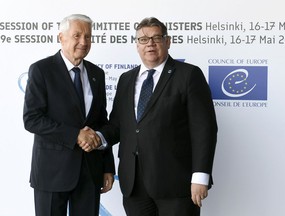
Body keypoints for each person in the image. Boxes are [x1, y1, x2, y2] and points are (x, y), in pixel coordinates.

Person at [99, 17, 217, 216]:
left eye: (156, 38)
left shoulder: (188, 75)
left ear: (167, 41)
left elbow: (204, 129)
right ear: (137, 45)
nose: (150, 44)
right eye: (143, 40)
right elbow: (118, 126)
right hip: (134, 185)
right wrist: (97, 138)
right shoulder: (126, 79)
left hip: (176, 184)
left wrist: (200, 177)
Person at [23, 14, 115, 216]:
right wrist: (75, 135)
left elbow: (101, 122)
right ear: (61, 37)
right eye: (77, 35)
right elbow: (32, 119)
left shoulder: (96, 74)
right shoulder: (41, 70)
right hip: (52, 172)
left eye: (88, 37)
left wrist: (108, 166)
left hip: (90, 172)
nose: (83, 42)